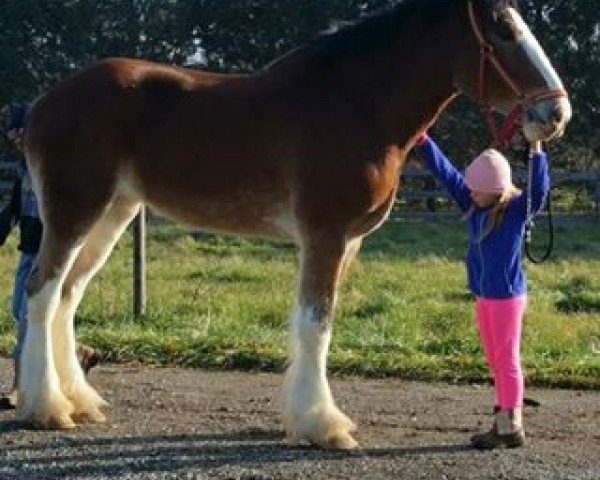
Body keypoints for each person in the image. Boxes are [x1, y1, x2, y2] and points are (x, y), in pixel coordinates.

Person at [414, 132, 549, 449]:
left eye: (477, 191)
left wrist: (536, 148)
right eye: (471, 189)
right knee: (495, 358)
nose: (470, 193)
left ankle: (509, 427)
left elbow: (539, 190)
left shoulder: (515, 212)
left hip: (506, 298)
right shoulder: (475, 204)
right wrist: (423, 141)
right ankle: (503, 417)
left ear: (497, 192)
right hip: (484, 295)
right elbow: (447, 174)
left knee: (506, 360)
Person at [0, 103, 99, 410]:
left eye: (19, 132)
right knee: (21, 313)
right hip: (28, 248)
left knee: (27, 315)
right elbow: (16, 207)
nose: (16, 140)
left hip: (45, 250)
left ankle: (20, 388)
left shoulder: (53, 163)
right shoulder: (25, 165)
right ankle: (76, 354)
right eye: (13, 134)